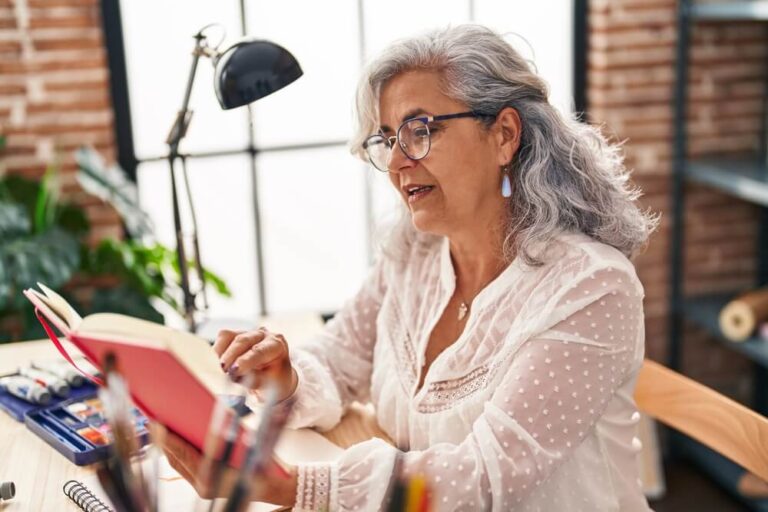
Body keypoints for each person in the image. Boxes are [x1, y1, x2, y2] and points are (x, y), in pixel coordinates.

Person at [164, 24, 658, 511]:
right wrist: (284, 377)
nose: (398, 161)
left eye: (420, 131)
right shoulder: (415, 253)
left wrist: (286, 485)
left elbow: (484, 476)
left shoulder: (591, 287)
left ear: (504, 135)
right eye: (386, 139)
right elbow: (340, 357)